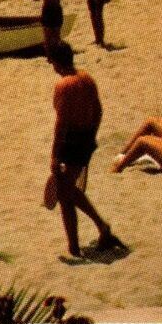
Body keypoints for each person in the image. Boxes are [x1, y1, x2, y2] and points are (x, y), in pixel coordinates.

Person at [45, 42, 121, 259]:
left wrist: (54, 156)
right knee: (67, 192)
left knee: (65, 192)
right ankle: (81, 241)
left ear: (56, 62)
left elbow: (61, 124)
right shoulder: (87, 78)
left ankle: (89, 236)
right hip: (87, 137)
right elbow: (99, 111)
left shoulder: (64, 86)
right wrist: (92, 137)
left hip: (71, 141)